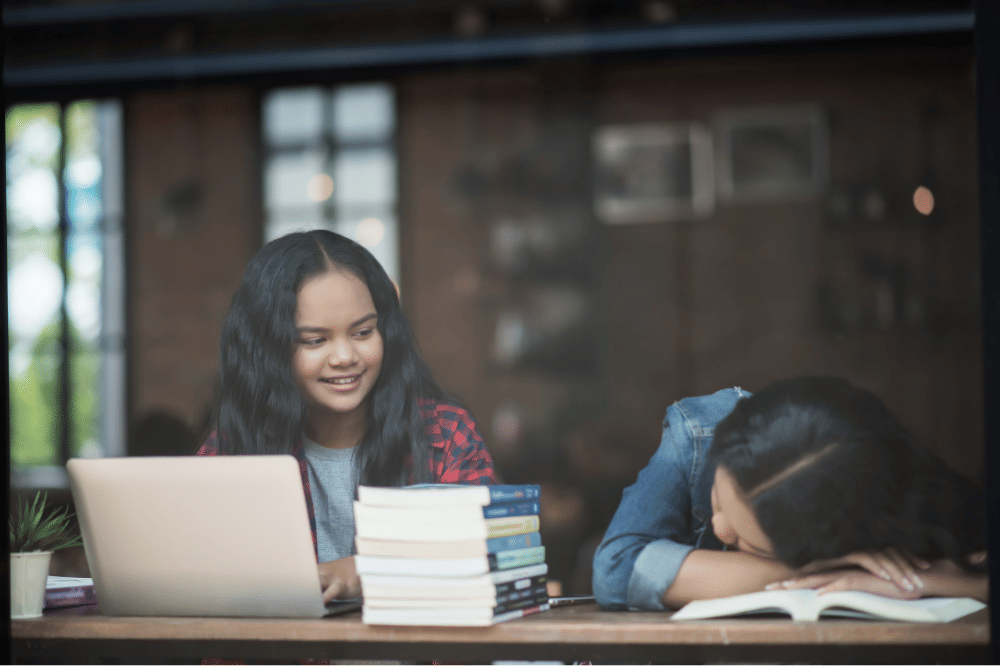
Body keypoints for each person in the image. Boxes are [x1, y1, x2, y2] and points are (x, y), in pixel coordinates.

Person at [198, 230, 496, 602]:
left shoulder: (445, 435)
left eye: (363, 332)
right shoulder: (231, 450)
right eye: (314, 340)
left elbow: (487, 560)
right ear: (268, 349)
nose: (344, 356)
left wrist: (366, 568)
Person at [592, 376, 988, 610]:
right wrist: (822, 573)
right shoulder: (702, 432)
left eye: (746, 539)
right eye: (717, 498)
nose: (719, 527)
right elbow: (617, 568)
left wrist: (936, 579)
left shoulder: (882, 499)